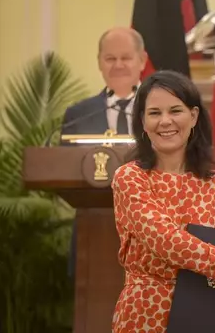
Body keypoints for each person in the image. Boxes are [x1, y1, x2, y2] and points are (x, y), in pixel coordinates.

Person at [110, 70, 215, 332]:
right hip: (145, 315)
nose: (165, 121)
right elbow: (167, 241)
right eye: (154, 113)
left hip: (204, 312)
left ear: (193, 116)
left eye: (175, 111)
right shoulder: (130, 178)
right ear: (142, 121)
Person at [61, 27, 146, 280]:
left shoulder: (163, 110)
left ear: (142, 60)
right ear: (99, 62)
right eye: (110, 58)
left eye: (126, 57)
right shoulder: (78, 114)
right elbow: (62, 167)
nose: (118, 65)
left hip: (150, 235)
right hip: (92, 233)